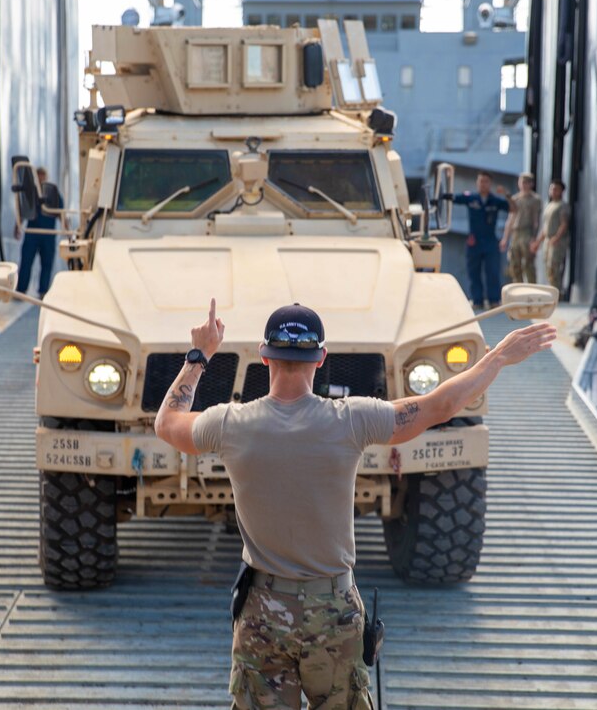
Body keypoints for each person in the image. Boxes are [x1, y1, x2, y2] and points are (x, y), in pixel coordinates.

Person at [154, 299, 556, 709]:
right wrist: (499, 356)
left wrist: (199, 355)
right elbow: (441, 406)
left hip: (262, 611)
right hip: (334, 612)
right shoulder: (351, 420)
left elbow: (167, 423)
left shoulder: (229, 424)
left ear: (263, 356)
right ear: (321, 358)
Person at [441, 171, 514, 309]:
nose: (483, 184)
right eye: (480, 181)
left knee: (492, 271)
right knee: (473, 272)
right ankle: (477, 300)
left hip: (490, 241)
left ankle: (494, 300)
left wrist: (506, 193)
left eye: (486, 181)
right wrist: (441, 195)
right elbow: (455, 198)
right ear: (477, 182)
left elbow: (513, 208)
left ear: (490, 183)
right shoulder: (471, 198)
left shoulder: (495, 200)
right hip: (474, 241)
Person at [15, 166, 63, 297]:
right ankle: (21, 289)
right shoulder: (30, 192)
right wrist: (17, 227)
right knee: (26, 261)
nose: (41, 178)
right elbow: (22, 211)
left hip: (48, 234)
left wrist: (67, 227)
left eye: (42, 175)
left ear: (46, 177)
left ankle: (43, 291)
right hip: (32, 232)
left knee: (47, 263)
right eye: (38, 176)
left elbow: (61, 212)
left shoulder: (53, 192)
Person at [501, 172, 541, 284]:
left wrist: (534, 237)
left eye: (527, 182)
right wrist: (505, 238)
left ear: (531, 184)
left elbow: (536, 220)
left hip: (527, 232)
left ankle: (532, 288)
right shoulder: (515, 199)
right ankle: (518, 287)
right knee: (514, 263)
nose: (524, 185)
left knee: (528, 263)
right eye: (522, 182)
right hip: (515, 233)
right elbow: (510, 220)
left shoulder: (535, 199)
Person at [533, 179, 570, 296]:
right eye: (551, 189)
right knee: (548, 267)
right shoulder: (549, 205)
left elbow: (564, 224)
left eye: (556, 189)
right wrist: (538, 242)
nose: (553, 191)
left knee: (554, 266)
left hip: (557, 241)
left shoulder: (562, 206)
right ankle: (553, 291)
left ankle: (557, 292)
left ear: (561, 191)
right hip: (548, 240)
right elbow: (545, 227)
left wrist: (556, 237)